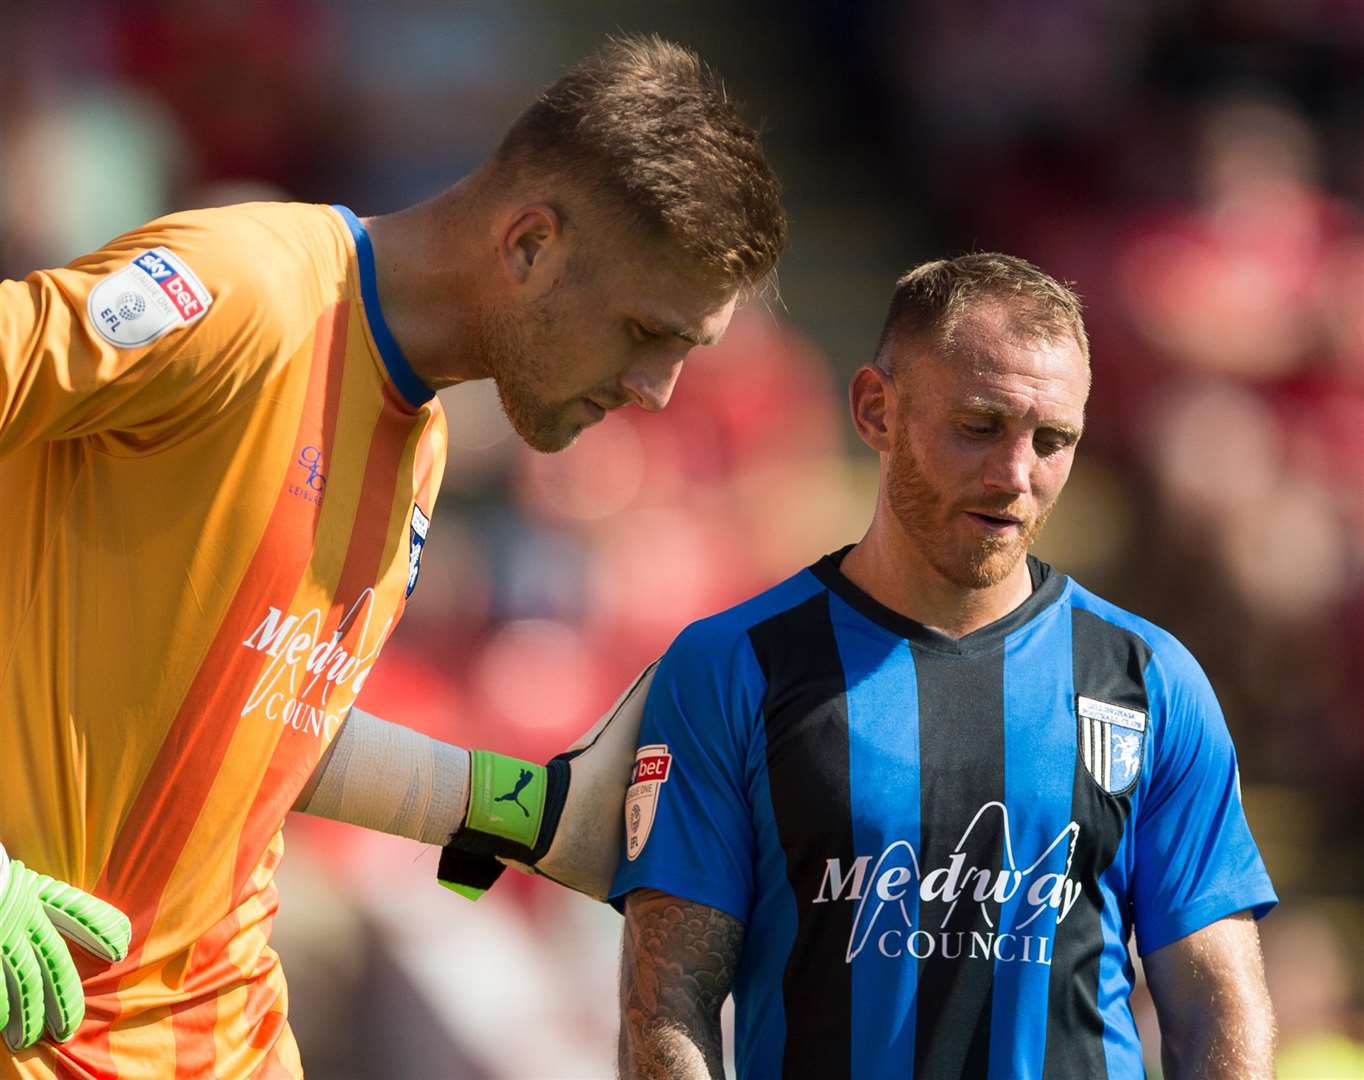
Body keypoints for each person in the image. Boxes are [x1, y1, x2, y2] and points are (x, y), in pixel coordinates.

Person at [0, 34, 785, 1078]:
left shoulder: (419, 445)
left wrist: (529, 813)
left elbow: (258, 729)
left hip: (223, 1039)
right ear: (528, 247)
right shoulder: (246, 296)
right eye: (646, 331)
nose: (657, 392)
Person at [612, 255, 1278, 1079]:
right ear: (874, 410)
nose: (1017, 476)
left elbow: (1217, 1008)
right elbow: (667, 1008)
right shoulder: (732, 667)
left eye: (1054, 440)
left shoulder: (1151, 681)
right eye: (979, 426)